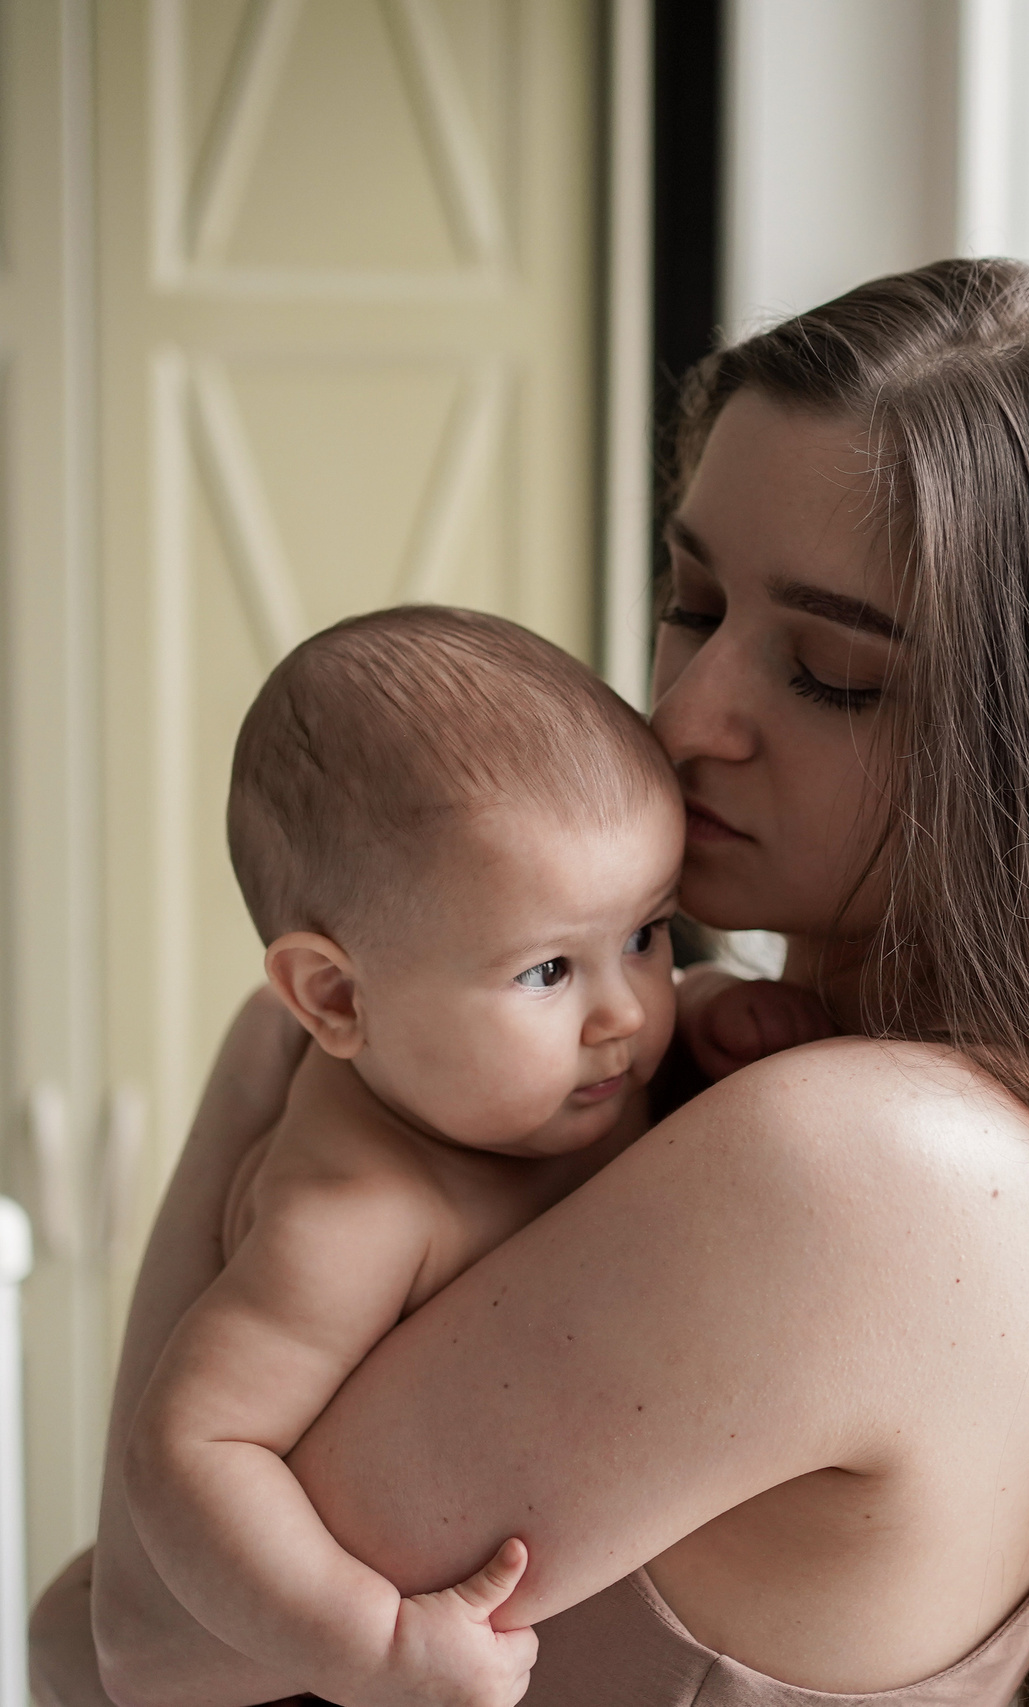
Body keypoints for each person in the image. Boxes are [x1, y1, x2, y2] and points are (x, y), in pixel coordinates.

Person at [34, 259, 1029, 1707]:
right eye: (691, 599)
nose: (689, 712)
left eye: (832, 670)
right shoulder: (744, 1075)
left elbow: (123, 1641)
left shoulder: (866, 1165)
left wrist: (269, 1068)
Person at [122, 607, 684, 1706]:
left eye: (647, 936)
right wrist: (371, 1644)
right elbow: (192, 1451)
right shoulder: (354, 1214)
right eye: (545, 974)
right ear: (335, 998)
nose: (624, 1012)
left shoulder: (569, 1075)